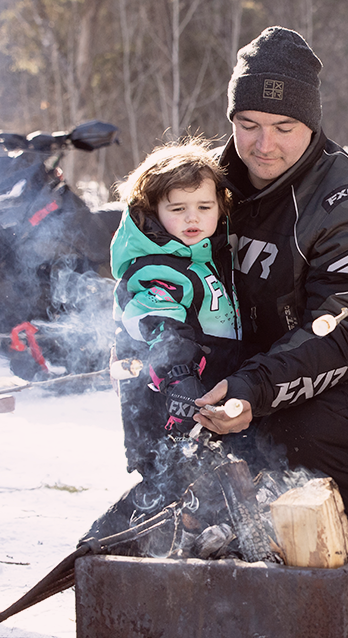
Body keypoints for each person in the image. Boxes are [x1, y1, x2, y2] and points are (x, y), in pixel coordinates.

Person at [193, 27, 348, 526]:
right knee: (181, 432)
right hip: (256, 366)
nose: (263, 145)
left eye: (284, 126)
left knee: (302, 428)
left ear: (311, 123)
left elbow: (341, 337)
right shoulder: (199, 187)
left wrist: (252, 391)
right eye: (248, 124)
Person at [101, 139, 241, 528]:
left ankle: (204, 539)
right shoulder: (157, 270)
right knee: (173, 487)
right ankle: (121, 542)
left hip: (205, 397)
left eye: (204, 207)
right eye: (177, 209)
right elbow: (160, 324)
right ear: (153, 213)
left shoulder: (203, 256)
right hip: (166, 402)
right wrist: (179, 376)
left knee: (211, 490)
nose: (191, 218)